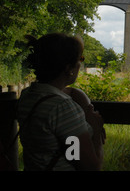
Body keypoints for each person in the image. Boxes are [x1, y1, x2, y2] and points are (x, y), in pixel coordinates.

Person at [17, 33, 105, 171]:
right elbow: (89, 166)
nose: (81, 63)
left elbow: (66, 92)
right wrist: (96, 130)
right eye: (80, 58)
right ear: (68, 68)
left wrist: (80, 98)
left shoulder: (27, 96)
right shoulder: (62, 109)